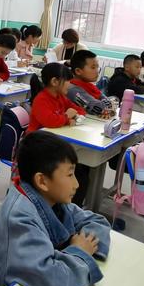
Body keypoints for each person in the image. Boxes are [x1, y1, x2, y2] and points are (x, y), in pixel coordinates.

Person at [0, 131, 110, 286]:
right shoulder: (18, 218)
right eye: (69, 174)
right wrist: (80, 252)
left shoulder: (51, 200)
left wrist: (78, 252)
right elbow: (54, 280)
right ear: (42, 181)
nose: (77, 184)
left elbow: (97, 221)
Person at [28, 63, 87, 205]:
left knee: (82, 170)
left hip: (53, 141)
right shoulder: (41, 99)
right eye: (67, 81)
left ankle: (71, 203)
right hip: (36, 144)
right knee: (76, 170)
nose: (70, 84)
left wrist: (71, 117)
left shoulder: (60, 97)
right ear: (54, 81)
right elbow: (49, 121)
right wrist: (67, 118)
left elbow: (80, 110)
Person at [67, 50, 115, 118]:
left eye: (97, 67)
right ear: (78, 71)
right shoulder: (72, 90)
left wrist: (108, 104)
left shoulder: (90, 86)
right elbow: (98, 108)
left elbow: (111, 101)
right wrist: (108, 105)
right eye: (93, 67)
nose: (97, 71)